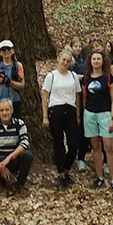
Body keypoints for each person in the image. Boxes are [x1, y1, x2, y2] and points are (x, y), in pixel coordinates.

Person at [42, 51, 82, 188]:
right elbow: (45, 97)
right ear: (58, 59)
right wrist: (45, 116)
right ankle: (61, 173)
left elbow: (77, 96)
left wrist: (78, 114)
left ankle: (66, 168)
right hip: (55, 110)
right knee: (58, 143)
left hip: (70, 110)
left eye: (68, 61)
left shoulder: (73, 76)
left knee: (74, 143)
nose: (65, 63)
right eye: (63, 60)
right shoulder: (51, 76)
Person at [81, 50, 113, 189]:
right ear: (90, 61)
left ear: (103, 61)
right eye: (94, 59)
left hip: (105, 114)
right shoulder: (86, 78)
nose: (96, 61)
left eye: (98, 59)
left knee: (109, 147)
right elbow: (84, 97)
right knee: (95, 147)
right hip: (90, 114)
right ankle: (100, 177)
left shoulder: (108, 78)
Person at [0, 98, 32, 191]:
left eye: (7, 110)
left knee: (27, 155)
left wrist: (9, 158)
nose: (4, 113)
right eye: (2, 110)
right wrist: (1, 165)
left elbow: (25, 142)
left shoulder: (19, 124)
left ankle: (19, 183)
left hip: (13, 158)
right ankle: (4, 180)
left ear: (12, 110)